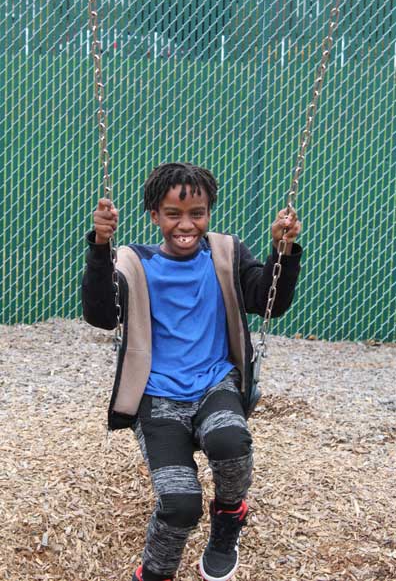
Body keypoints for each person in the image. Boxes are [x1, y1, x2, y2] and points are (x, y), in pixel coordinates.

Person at [81, 162, 302, 581]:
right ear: (154, 216)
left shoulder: (225, 253)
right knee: (181, 504)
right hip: (158, 397)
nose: (186, 224)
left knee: (230, 440)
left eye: (196, 213)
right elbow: (100, 315)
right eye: (173, 214)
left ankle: (228, 521)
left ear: (208, 213)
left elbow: (267, 300)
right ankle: (156, 573)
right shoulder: (134, 262)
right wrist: (100, 246)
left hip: (214, 383)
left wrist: (283, 253)